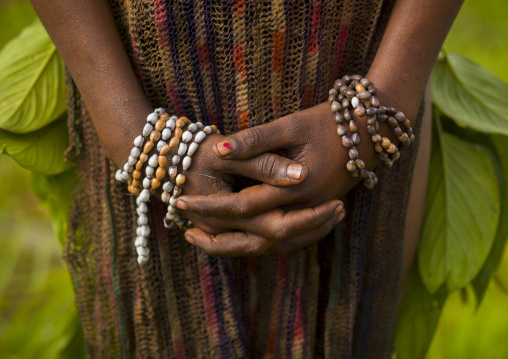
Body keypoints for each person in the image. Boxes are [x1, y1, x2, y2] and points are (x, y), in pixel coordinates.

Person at [31, 0, 463, 357]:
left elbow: (388, 97)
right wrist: (125, 123)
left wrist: (386, 96)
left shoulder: (373, 117)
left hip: (365, 94)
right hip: (133, 91)